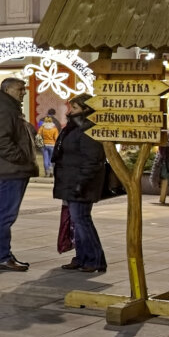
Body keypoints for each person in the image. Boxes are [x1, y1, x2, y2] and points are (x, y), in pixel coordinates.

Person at [0, 77, 37, 271]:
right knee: (6, 214)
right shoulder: (3, 111)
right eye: (19, 89)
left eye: (24, 89)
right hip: (11, 170)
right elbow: (2, 142)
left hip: (14, 169)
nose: (23, 92)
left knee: (7, 214)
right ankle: (2, 257)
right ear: (7, 90)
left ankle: (4, 255)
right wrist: (21, 158)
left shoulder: (10, 109)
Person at [52, 94, 109, 273]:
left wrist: (80, 184)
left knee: (82, 220)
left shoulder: (89, 129)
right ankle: (82, 257)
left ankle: (94, 259)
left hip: (81, 183)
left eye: (75, 108)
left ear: (85, 109)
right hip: (71, 180)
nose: (70, 111)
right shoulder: (74, 127)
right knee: (78, 222)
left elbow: (92, 159)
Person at [38, 109, 61, 177]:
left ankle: (46, 172)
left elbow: (38, 134)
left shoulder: (42, 125)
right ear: (54, 113)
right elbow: (57, 137)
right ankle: (51, 171)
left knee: (45, 158)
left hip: (44, 144)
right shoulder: (56, 124)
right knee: (52, 158)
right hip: (52, 145)